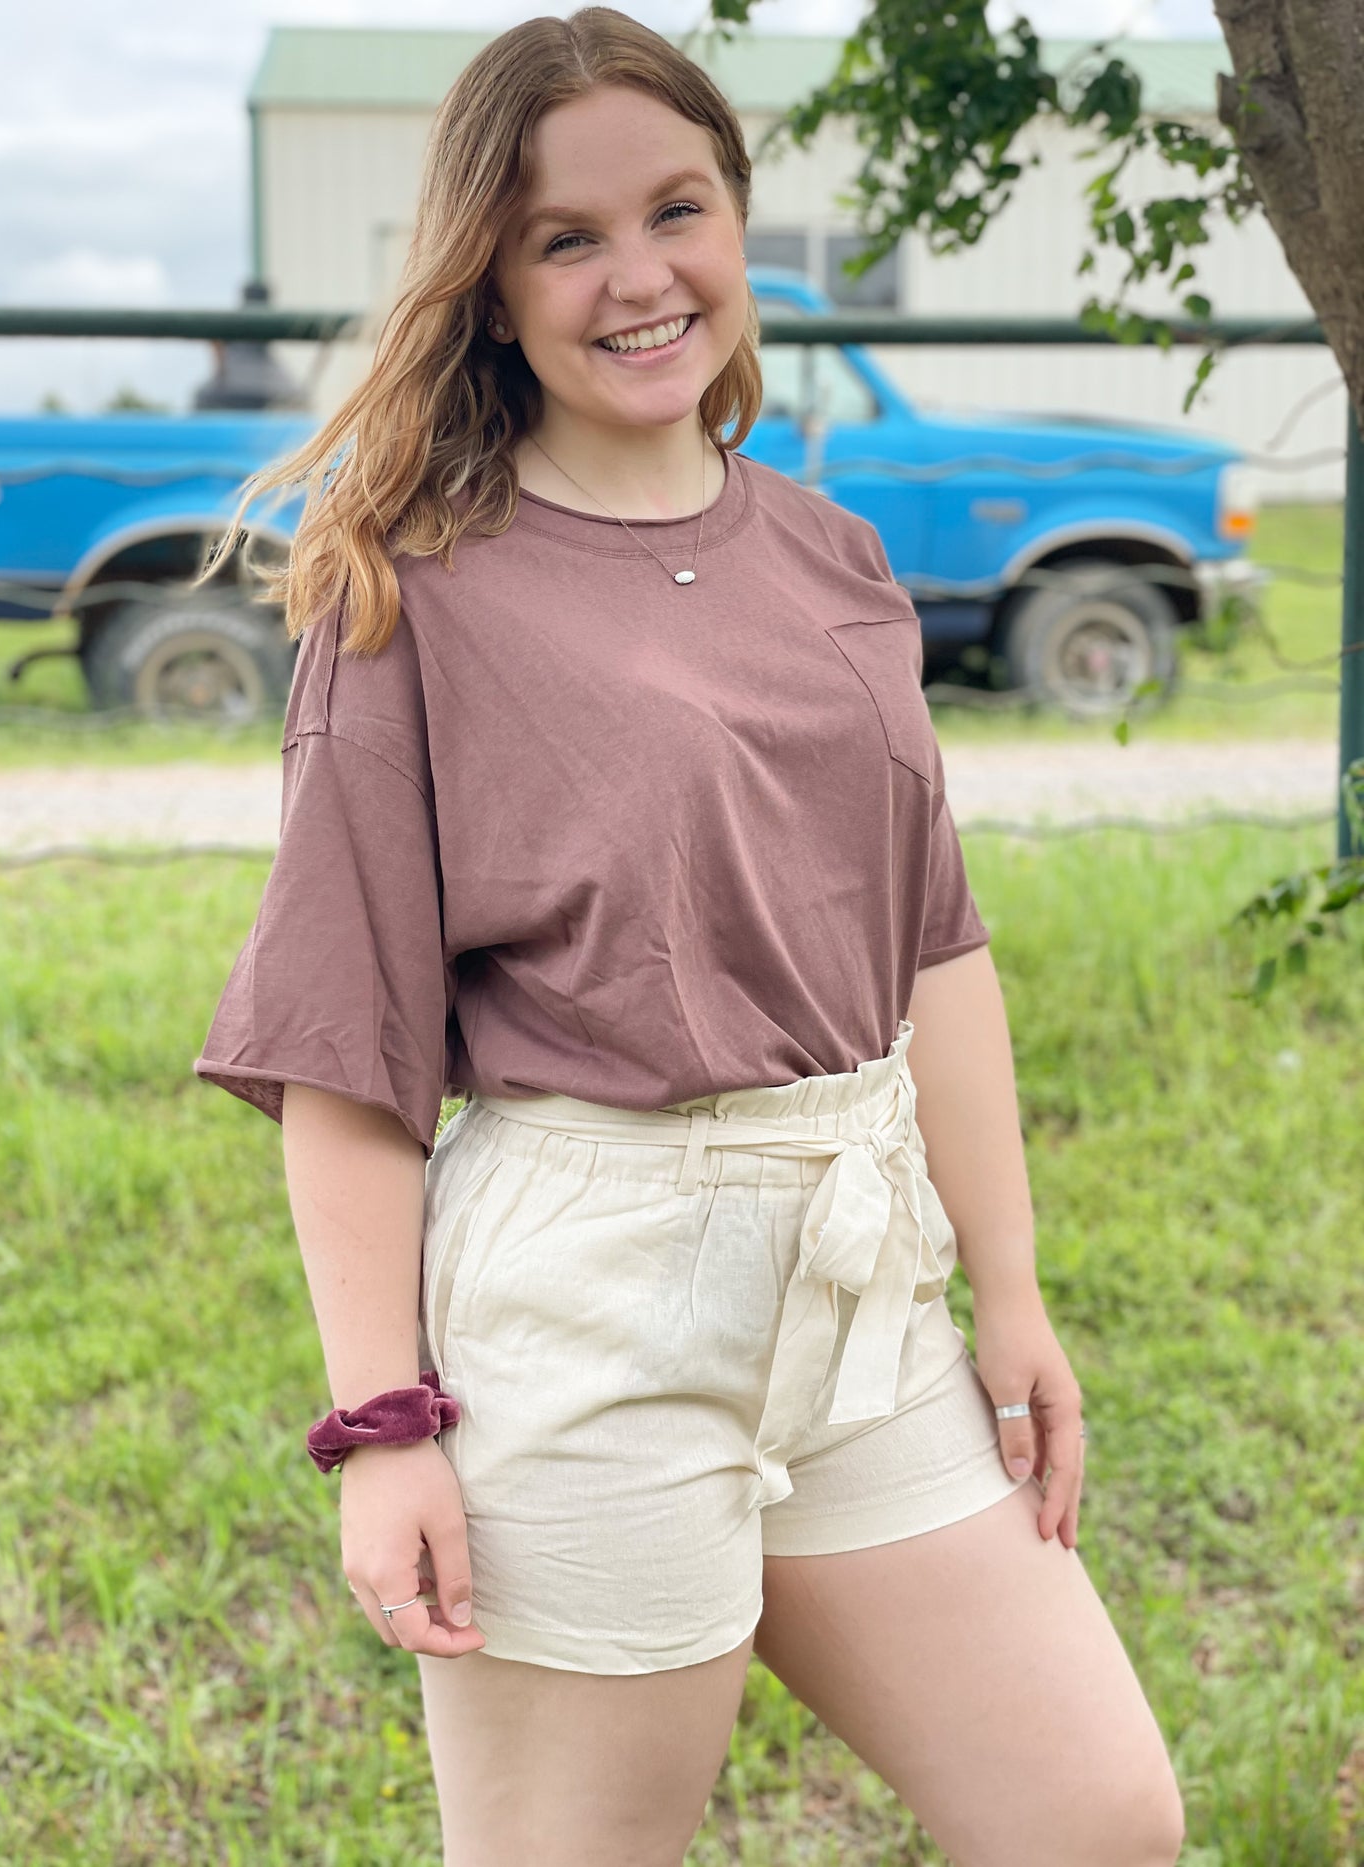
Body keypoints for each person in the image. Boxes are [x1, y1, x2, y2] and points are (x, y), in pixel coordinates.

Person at [193, 10, 1186, 1863]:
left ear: (737, 220)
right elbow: (344, 1052)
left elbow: (934, 946)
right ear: (492, 291)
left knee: (1095, 1818)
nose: (639, 277)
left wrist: (1013, 1291)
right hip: (590, 1309)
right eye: (566, 239)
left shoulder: (834, 557)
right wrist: (383, 1426)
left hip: (862, 1280)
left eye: (678, 211)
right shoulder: (412, 593)